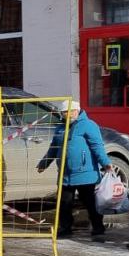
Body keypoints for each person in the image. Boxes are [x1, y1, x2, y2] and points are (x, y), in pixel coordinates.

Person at [38, 99, 111, 238]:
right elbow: (53, 148)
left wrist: (105, 162)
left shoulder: (88, 125)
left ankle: (98, 227)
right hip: (65, 174)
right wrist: (44, 163)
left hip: (85, 173)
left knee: (89, 202)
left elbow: (97, 146)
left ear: (77, 111)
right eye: (65, 112)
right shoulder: (60, 128)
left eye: (70, 111)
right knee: (64, 203)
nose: (68, 115)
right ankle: (65, 228)